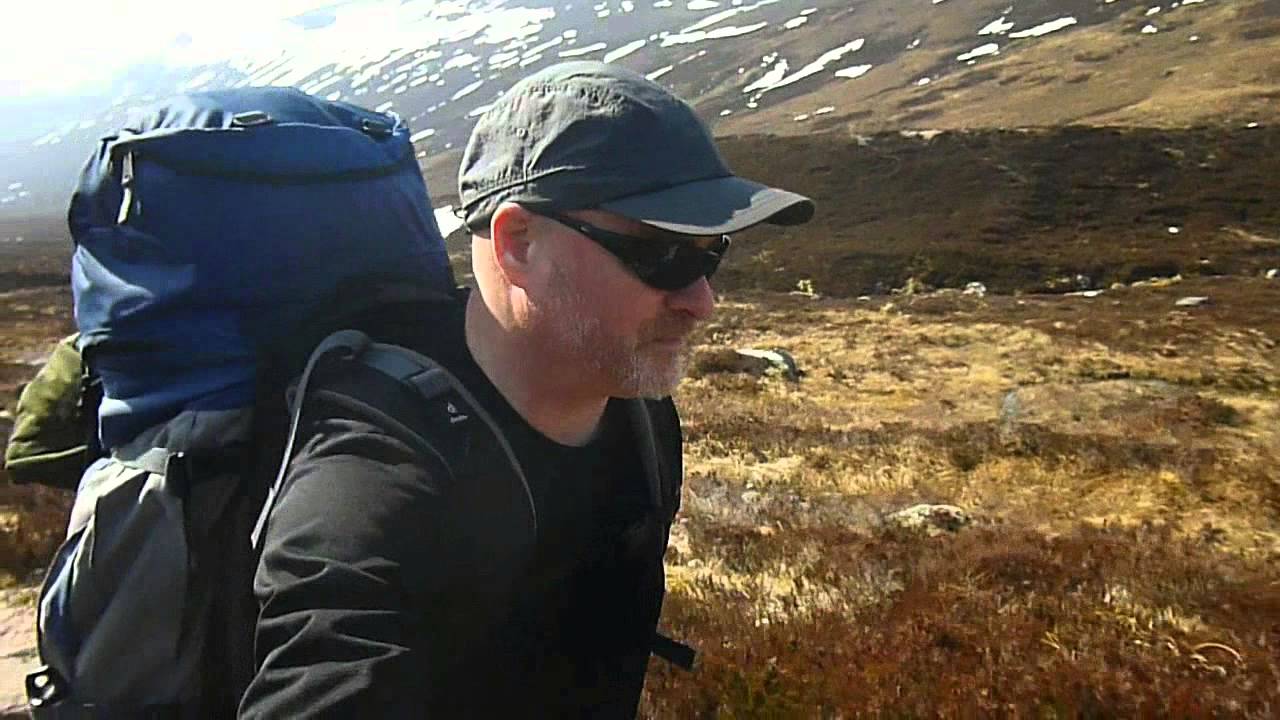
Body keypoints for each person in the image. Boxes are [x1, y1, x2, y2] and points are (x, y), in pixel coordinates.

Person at [238, 60, 814, 718]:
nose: (702, 301)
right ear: (518, 243)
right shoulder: (373, 481)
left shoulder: (641, 416)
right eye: (663, 253)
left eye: (712, 253)